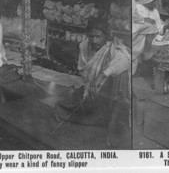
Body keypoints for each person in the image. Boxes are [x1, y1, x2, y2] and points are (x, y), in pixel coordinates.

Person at [55, 18, 131, 148]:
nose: (94, 40)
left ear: (106, 36)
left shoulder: (113, 48)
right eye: (91, 36)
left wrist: (102, 75)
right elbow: (83, 70)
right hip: (90, 88)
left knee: (103, 111)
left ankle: (103, 118)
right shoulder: (84, 46)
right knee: (62, 106)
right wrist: (89, 86)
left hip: (107, 92)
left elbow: (125, 59)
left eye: (98, 36)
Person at [131, 0, 159, 75]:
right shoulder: (138, 8)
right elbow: (134, 22)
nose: (155, 3)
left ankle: (145, 56)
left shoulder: (155, 10)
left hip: (150, 37)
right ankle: (145, 54)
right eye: (153, 2)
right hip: (137, 35)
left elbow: (158, 25)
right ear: (147, 2)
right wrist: (145, 21)